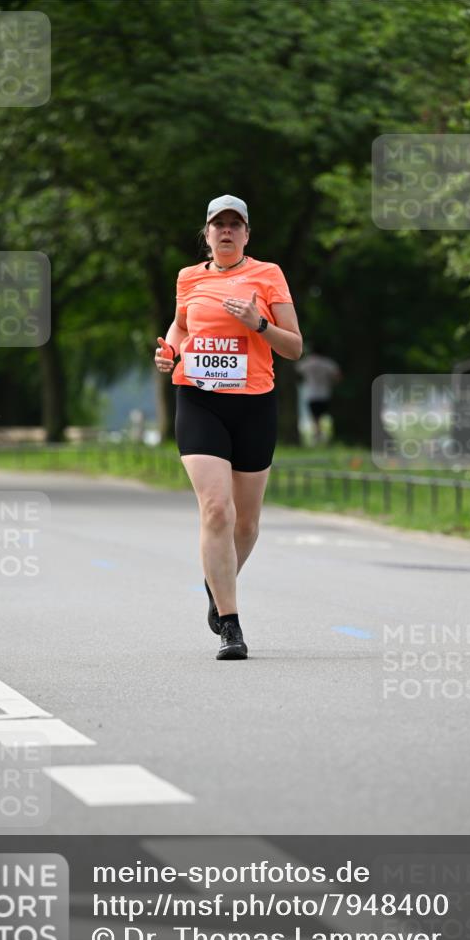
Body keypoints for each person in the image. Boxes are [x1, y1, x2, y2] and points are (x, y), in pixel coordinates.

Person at [155, 195, 302, 660]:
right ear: (206, 232)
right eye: (218, 224)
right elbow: (179, 328)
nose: (225, 231)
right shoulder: (188, 278)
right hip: (198, 400)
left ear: (246, 234)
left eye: (234, 224)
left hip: (254, 403)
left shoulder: (268, 275)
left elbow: (294, 347)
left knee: (247, 523)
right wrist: (170, 351)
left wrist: (258, 323)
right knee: (217, 511)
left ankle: (215, 582)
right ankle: (231, 625)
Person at [295, 347, 342, 444]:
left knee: (315, 416)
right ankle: (322, 435)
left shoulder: (307, 362)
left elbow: (297, 369)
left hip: (311, 393)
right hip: (325, 393)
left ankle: (317, 435)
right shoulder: (327, 363)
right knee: (323, 416)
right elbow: (337, 375)